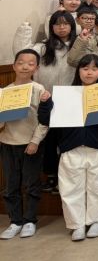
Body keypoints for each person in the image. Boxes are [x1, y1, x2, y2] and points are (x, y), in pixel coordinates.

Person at [40, 54, 98, 241]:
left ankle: (97, 222)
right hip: (71, 146)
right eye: (85, 68)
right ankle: (77, 224)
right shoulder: (65, 94)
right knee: (70, 188)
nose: (89, 72)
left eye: (94, 69)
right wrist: (45, 104)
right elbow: (46, 120)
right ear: (78, 71)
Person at [13, 10, 77, 194]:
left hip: (70, 99)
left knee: (67, 139)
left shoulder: (77, 46)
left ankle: (66, 177)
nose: (62, 27)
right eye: (57, 24)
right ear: (51, 27)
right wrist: (25, 29)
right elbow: (22, 54)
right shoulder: (42, 48)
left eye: (66, 23)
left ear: (72, 26)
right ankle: (51, 176)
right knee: (48, 139)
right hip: (46, 98)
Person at [0, 50, 52, 240]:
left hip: (31, 144)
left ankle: (30, 220)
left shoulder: (39, 89)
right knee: (11, 185)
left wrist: (35, 141)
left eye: (30, 64)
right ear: (14, 66)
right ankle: (15, 221)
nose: (25, 67)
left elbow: (44, 120)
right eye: (21, 63)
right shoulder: (5, 91)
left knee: (31, 183)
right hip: (7, 143)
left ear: (36, 68)